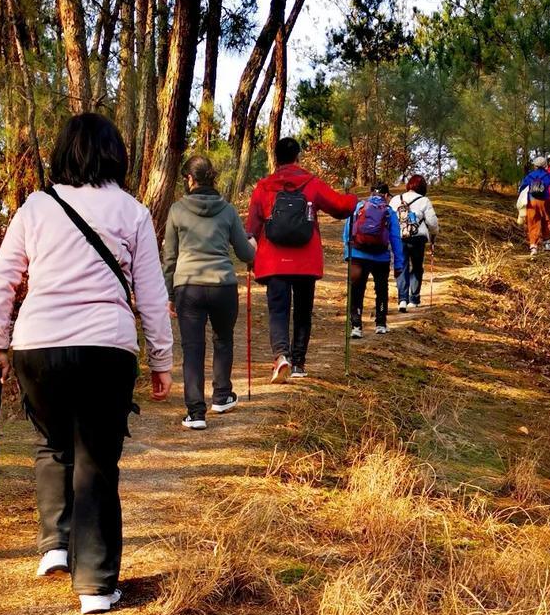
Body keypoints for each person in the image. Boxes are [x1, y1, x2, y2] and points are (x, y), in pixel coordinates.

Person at [0, 112, 172, 615]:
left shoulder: (36, 208)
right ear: (117, 154)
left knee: (52, 443)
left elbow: (2, 279)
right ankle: (96, 586)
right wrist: (161, 357)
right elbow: (151, 293)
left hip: (37, 344)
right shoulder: (132, 212)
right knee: (96, 459)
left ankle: (56, 545)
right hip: (105, 348)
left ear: (63, 153)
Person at [246, 136, 359, 382]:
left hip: (274, 261)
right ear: (298, 156)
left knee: (278, 311)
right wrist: (353, 199)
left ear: (275, 157)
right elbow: (340, 207)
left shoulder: (264, 186)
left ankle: (281, 356)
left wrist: (248, 254)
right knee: (303, 311)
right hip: (305, 260)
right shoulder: (311, 183)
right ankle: (298, 363)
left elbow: (252, 226)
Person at [161, 156, 255, 430]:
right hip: (223, 285)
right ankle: (222, 395)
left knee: (192, 347)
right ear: (211, 177)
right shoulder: (227, 211)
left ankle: (195, 412)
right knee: (223, 339)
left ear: (190, 179)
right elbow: (245, 252)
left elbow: (170, 258)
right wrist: (253, 244)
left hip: (188, 286)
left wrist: (169, 294)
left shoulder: (177, 211)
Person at [343, 184, 404, 335]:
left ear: (371, 193)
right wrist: (398, 264)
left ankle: (356, 326)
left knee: (356, 289)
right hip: (381, 257)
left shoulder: (359, 207)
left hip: (357, 255)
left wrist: (348, 255)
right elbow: (396, 239)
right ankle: (381, 323)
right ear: (385, 196)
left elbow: (347, 232)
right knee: (381, 290)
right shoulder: (389, 212)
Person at [391, 174, 439, 309]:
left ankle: (402, 300)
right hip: (418, 238)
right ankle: (414, 299)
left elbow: (389, 219)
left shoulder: (396, 199)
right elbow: (432, 222)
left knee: (402, 266)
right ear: (422, 187)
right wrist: (434, 235)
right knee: (417, 267)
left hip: (399, 238)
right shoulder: (424, 201)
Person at [519, 155, 550, 256]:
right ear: (545, 165)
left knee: (533, 222)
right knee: (546, 220)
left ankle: (533, 247)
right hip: (545, 202)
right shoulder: (548, 175)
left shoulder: (530, 176)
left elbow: (522, 188)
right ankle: (547, 244)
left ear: (535, 166)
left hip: (532, 201)